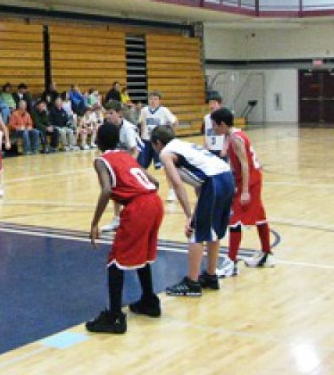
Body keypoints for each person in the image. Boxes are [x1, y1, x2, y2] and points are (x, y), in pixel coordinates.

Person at [85, 122, 164, 334]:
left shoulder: (101, 160)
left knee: (115, 261)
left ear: (98, 140)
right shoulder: (127, 156)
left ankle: (114, 317)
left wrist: (94, 223)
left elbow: (106, 190)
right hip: (155, 202)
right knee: (143, 255)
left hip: (138, 206)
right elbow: (155, 183)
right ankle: (149, 301)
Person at [151, 125, 234, 297]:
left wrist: (190, 216)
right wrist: (195, 213)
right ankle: (211, 276)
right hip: (226, 177)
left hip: (214, 181)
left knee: (196, 233)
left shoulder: (166, 153)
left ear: (158, 143)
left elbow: (178, 185)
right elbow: (199, 184)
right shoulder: (183, 144)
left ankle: (192, 282)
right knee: (213, 231)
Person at [210, 108, 275, 276]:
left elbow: (245, 165)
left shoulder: (236, 139)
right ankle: (267, 254)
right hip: (251, 179)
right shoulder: (233, 135)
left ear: (222, 124)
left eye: (214, 125)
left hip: (250, 181)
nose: (213, 129)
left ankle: (231, 262)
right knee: (259, 216)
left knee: (235, 219)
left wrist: (245, 190)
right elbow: (233, 160)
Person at [101, 101, 144, 233]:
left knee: (133, 190)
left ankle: (136, 218)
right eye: (106, 113)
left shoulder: (127, 129)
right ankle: (117, 218)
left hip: (137, 155)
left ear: (119, 114)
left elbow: (134, 150)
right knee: (115, 187)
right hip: (123, 157)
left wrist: (128, 167)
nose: (108, 116)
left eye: (111, 113)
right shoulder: (110, 127)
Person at [137, 92, 177, 172]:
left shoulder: (164, 110)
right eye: (151, 99)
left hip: (159, 142)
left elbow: (174, 121)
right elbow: (141, 124)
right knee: (142, 165)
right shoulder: (144, 110)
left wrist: (171, 135)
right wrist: (140, 136)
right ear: (148, 100)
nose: (153, 101)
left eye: (155, 99)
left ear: (159, 101)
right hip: (146, 140)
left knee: (160, 167)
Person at [203, 94, 226, 159]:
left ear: (219, 104)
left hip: (221, 149)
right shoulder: (206, 117)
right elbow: (206, 133)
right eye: (210, 103)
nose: (212, 105)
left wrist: (225, 148)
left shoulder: (224, 116)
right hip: (210, 149)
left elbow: (228, 134)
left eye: (214, 103)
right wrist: (205, 144)